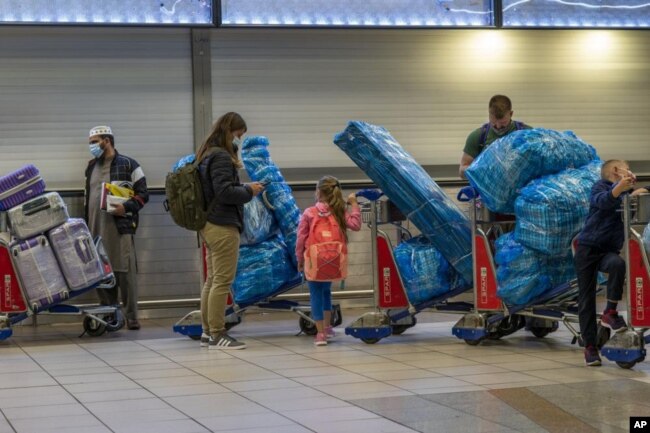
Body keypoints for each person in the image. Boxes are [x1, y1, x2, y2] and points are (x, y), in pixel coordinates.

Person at [197, 112, 264, 350]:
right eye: (238, 135)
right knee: (222, 281)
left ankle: (207, 332)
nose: (239, 140)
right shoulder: (221, 157)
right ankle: (217, 333)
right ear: (228, 131)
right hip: (222, 225)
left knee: (212, 280)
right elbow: (225, 192)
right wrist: (249, 191)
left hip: (207, 224)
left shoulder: (206, 153)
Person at [84, 125, 149, 330]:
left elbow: (143, 194)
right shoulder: (90, 167)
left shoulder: (130, 164)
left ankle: (132, 316)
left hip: (121, 228)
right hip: (95, 228)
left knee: (124, 272)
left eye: (95, 142)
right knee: (102, 274)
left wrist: (126, 207)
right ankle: (109, 313)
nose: (92, 147)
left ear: (107, 141)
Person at [574, 160, 636, 366]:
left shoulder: (626, 194)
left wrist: (636, 192)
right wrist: (620, 187)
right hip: (587, 249)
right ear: (615, 171)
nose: (629, 170)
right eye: (625, 167)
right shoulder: (599, 187)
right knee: (586, 298)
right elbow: (604, 201)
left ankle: (610, 311)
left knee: (618, 264)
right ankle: (590, 347)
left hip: (607, 251)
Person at [295, 176, 362, 346]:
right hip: (333, 260)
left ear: (318, 192)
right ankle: (328, 327)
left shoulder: (310, 213)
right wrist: (354, 204)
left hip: (315, 260)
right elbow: (355, 225)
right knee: (326, 291)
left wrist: (299, 259)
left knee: (316, 294)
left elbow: (301, 239)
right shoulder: (339, 211)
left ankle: (320, 334)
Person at [459, 94, 531, 179]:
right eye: (493, 122)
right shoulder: (477, 137)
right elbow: (462, 172)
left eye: (503, 123)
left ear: (511, 114)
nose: (498, 126)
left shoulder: (527, 134)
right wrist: (480, 169)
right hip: (486, 189)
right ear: (489, 114)